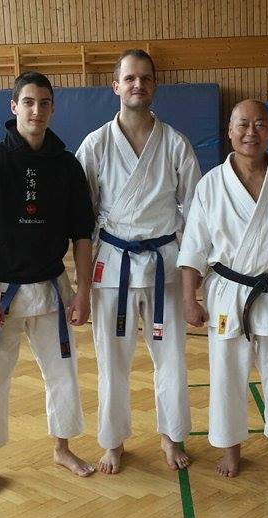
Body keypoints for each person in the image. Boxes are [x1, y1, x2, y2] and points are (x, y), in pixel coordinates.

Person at [0, 71, 96, 500]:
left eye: (45, 103)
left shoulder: (67, 166)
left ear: (53, 108)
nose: (37, 110)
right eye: (29, 102)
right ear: (14, 106)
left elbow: (82, 235)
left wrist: (83, 291)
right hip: (2, 293)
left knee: (63, 375)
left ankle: (62, 449)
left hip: (52, 286)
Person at [75, 49, 201, 474]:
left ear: (154, 86)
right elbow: (82, 217)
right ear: (116, 85)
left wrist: (194, 275)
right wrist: (81, 283)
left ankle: (171, 435)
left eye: (145, 78)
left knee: (172, 359)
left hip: (166, 264)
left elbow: (196, 213)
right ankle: (113, 441)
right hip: (114, 265)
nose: (138, 85)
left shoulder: (176, 143)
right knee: (112, 361)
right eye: (130, 78)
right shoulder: (95, 145)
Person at [178, 100, 268, 477]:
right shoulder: (210, 184)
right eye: (243, 124)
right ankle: (231, 448)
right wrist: (189, 299)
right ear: (229, 131)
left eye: (259, 124)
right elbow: (194, 247)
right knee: (227, 375)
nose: (251, 132)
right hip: (227, 292)